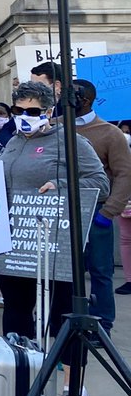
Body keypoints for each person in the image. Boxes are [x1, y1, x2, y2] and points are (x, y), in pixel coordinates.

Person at [0, 81, 108, 396]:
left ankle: (74, 387)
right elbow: (2, 182)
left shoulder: (70, 141)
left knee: (61, 316)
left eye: (33, 111)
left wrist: (60, 184)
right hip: (15, 243)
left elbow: (100, 183)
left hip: (56, 245)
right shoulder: (13, 142)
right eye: (19, 110)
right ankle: (19, 375)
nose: (24, 116)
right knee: (16, 310)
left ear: (48, 111)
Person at [73, 78, 130, 333]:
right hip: (62, 209)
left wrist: (109, 212)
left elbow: (124, 174)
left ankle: (101, 323)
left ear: (85, 100)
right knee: (64, 271)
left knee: (100, 270)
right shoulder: (55, 127)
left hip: (97, 211)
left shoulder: (109, 132)